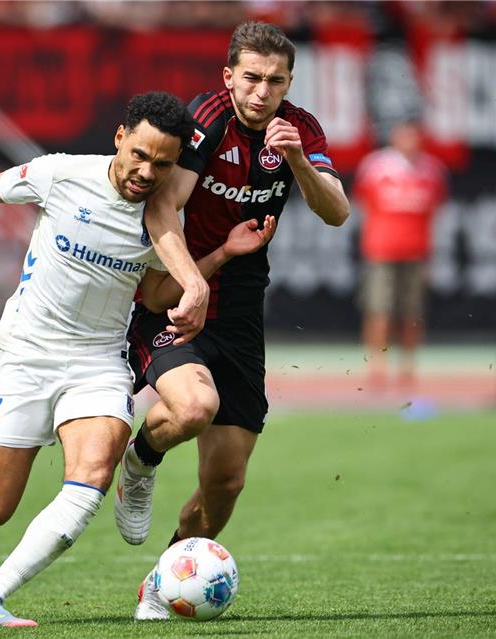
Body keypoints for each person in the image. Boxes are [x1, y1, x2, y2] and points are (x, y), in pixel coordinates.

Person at [0, 92, 275, 628]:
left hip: (98, 363)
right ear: (120, 137)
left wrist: (220, 258)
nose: (147, 171)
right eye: (139, 155)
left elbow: (160, 296)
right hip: (26, 355)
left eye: (163, 164)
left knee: (92, 472)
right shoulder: (62, 175)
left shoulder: (161, 219)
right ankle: (5, 461)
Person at [113, 22, 351, 620]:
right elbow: (165, 205)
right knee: (193, 409)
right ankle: (140, 459)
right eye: (250, 77)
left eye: (274, 80)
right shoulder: (208, 118)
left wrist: (298, 160)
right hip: (176, 297)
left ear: (289, 83)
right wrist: (195, 280)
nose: (260, 91)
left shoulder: (301, 130)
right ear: (229, 77)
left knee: (226, 481)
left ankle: (162, 585)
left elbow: (337, 212)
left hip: (242, 313)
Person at [353, 120, 447, 392]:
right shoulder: (375, 167)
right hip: (381, 250)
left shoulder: (432, 170)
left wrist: (432, 253)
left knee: (412, 311)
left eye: (414, 135)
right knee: (378, 309)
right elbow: (362, 205)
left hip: (417, 251)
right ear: (394, 138)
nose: (409, 141)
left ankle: (407, 366)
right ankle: (377, 367)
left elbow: (436, 214)